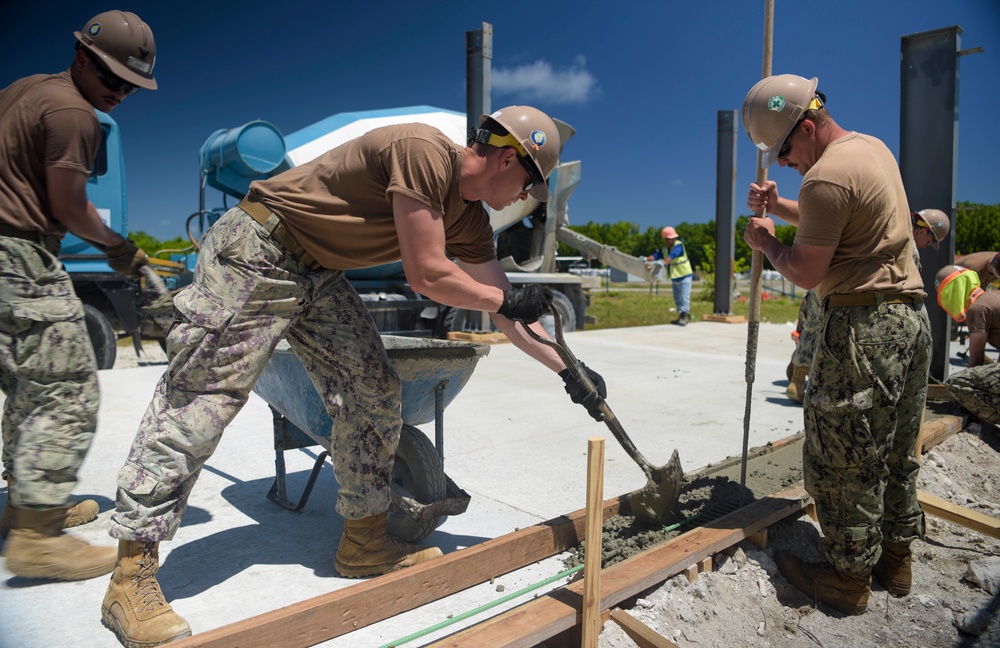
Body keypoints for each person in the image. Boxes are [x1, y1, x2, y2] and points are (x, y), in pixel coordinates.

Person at [99, 105, 608, 646]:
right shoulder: (422, 151)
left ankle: (363, 542)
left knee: (373, 388)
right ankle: (131, 575)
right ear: (509, 158)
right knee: (201, 402)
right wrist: (505, 296)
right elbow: (428, 273)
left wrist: (570, 370)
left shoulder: (472, 222)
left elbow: (509, 314)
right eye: (531, 185)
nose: (525, 200)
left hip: (317, 273)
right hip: (258, 248)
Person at [742, 74, 931, 615]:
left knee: (842, 457)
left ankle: (848, 580)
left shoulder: (825, 178)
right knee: (896, 449)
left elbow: (804, 269)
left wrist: (767, 242)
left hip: (864, 330)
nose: (781, 163)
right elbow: (837, 220)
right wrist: (780, 207)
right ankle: (895, 559)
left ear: (806, 125)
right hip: (909, 323)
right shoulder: (869, 150)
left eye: (784, 149)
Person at [0, 11, 156, 581]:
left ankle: (23, 504)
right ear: (83, 58)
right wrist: (121, 249)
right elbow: (68, 207)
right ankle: (38, 538)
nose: (119, 95)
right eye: (113, 80)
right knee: (66, 387)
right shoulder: (73, 114)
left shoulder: (24, 90)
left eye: (130, 87)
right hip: (16, 252)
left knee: (27, 379)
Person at [936, 265, 1000, 423]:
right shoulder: (993, 297)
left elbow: (976, 361)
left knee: (956, 382)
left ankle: (980, 419)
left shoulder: (977, 309)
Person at [647, 226, 693, 325]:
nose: (672, 240)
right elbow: (655, 256)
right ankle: (681, 315)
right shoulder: (664, 249)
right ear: (665, 239)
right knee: (677, 298)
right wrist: (645, 259)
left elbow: (672, 256)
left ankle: (684, 317)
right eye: (669, 239)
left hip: (685, 275)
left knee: (684, 297)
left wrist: (664, 263)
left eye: (673, 238)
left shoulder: (679, 246)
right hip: (675, 276)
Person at [786, 289, 821, 404]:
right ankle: (815, 395)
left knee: (805, 353)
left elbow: (802, 312)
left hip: (808, 331)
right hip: (822, 331)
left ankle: (795, 384)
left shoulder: (811, 291)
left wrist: (801, 329)